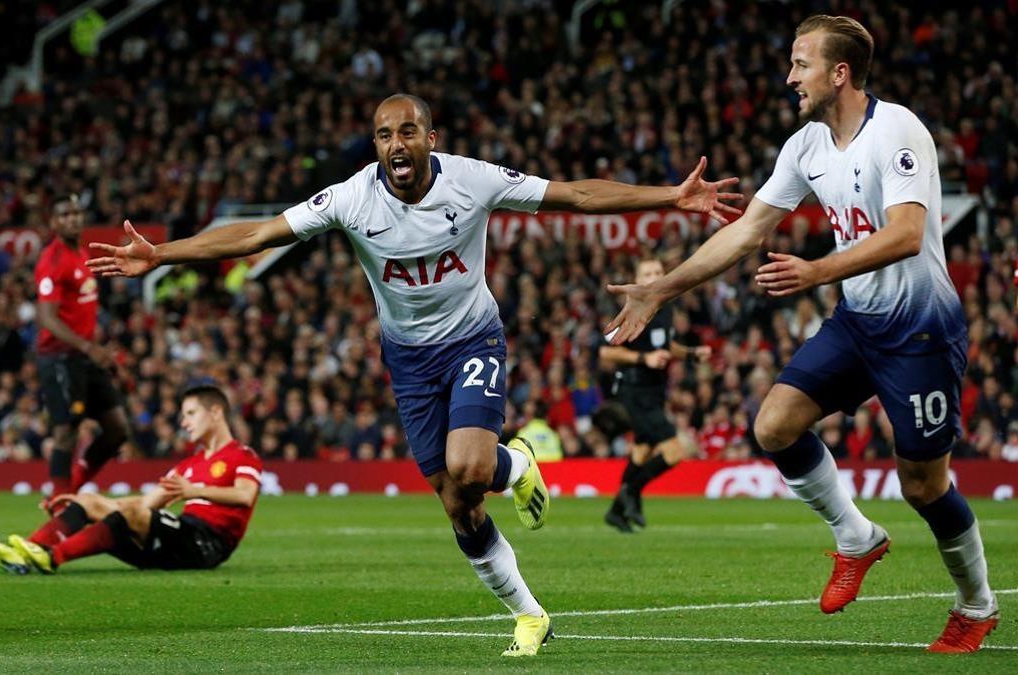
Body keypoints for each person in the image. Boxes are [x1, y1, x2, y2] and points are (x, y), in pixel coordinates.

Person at [87, 93, 741, 657]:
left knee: (471, 464)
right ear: (375, 146)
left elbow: (572, 194)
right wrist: (164, 254)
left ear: (431, 139)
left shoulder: (472, 179)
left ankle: (510, 464)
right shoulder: (350, 197)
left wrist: (670, 195)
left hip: (473, 338)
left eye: (406, 131)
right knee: (458, 503)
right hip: (407, 360)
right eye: (383, 134)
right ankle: (529, 611)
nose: (395, 143)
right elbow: (258, 234)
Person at [605, 15, 998, 652]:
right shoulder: (805, 145)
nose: (790, 77)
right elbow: (747, 231)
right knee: (774, 425)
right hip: (859, 322)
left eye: (801, 64)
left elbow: (903, 234)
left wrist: (816, 270)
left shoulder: (896, 130)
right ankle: (855, 536)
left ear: (839, 73)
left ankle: (976, 606)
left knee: (923, 484)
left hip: (921, 330)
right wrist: (661, 288)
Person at [0, 383, 260, 573]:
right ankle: (21, 553)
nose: (184, 423)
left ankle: (51, 556)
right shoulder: (190, 464)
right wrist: (91, 503)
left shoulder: (242, 456)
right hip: (174, 542)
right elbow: (147, 504)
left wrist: (194, 490)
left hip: (206, 544)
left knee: (126, 512)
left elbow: (245, 495)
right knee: (89, 501)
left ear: (216, 411)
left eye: (190, 414)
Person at [599, 257, 710, 532]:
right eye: (647, 272)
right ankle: (631, 494)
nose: (654, 275)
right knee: (674, 451)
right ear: (637, 280)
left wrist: (692, 354)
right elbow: (606, 352)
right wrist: (644, 359)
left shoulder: (665, 308)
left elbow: (666, 345)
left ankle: (616, 511)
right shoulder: (631, 307)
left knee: (642, 450)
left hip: (654, 391)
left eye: (658, 271)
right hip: (634, 391)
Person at [33, 193, 130, 496]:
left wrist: (97, 350)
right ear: (54, 222)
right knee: (66, 433)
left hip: (86, 356)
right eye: (65, 214)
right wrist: (90, 348)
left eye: (76, 213)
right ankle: (62, 504)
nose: (72, 219)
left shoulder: (83, 254)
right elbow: (47, 319)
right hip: (59, 358)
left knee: (117, 430)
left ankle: (69, 490)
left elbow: (80, 313)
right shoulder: (53, 259)